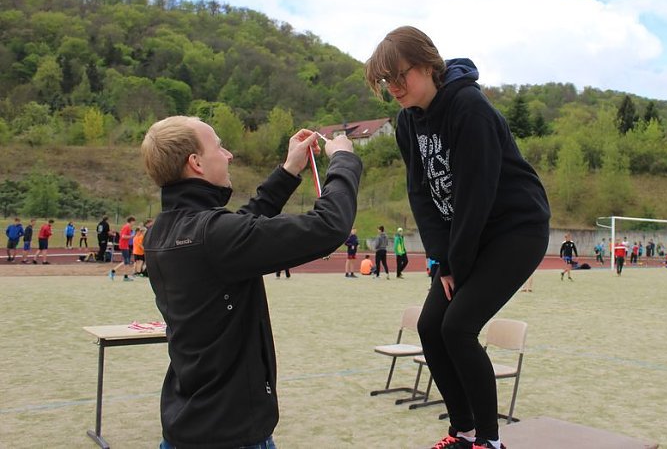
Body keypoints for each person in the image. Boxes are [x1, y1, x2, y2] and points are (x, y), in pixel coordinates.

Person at [365, 26, 550, 449]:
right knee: (432, 327)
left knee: (459, 327)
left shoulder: (469, 107)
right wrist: (440, 259)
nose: (393, 88)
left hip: (513, 231)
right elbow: (420, 192)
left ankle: (489, 440)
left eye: (400, 76)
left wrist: (456, 266)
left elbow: (475, 195)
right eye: (384, 81)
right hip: (463, 235)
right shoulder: (407, 122)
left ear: (428, 64)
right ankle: (463, 430)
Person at [141, 115, 360, 448]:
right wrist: (344, 160)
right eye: (219, 146)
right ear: (196, 162)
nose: (228, 155)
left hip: (187, 422)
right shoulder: (213, 235)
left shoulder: (162, 231)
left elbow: (241, 225)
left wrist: (288, 171)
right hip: (231, 433)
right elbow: (329, 226)